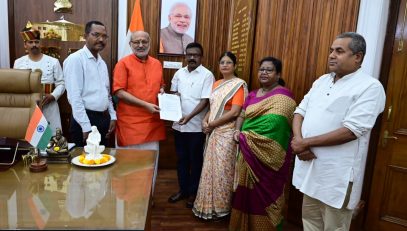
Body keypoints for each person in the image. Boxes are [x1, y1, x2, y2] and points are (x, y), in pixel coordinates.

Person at [291, 32, 386, 230]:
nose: (332, 55)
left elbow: (351, 131)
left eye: (339, 51)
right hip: (310, 167)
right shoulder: (322, 81)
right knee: (310, 222)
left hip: (336, 175)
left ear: (357, 57)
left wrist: (305, 143)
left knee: (335, 226)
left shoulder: (370, 87)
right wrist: (299, 141)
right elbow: (299, 112)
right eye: (331, 51)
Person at [228, 57, 296, 231]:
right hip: (246, 154)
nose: (264, 73)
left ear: (278, 74)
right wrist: (237, 131)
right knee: (245, 195)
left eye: (269, 70)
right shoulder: (252, 94)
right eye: (261, 69)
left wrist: (246, 137)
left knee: (264, 198)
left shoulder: (284, 97)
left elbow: (277, 127)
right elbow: (242, 115)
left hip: (269, 161)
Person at [193, 51, 248, 220]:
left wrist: (212, 124)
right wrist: (205, 121)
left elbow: (235, 111)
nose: (224, 65)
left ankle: (221, 209)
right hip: (213, 131)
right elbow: (212, 107)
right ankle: (206, 206)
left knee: (223, 171)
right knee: (209, 170)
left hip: (227, 133)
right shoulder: (216, 84)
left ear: (235, 66)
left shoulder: (238, 84)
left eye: (228, 62)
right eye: (222, 62)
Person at [113, 31, 166, 193]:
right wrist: (145, 105)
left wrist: (162, 90)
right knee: (129, 165)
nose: (141, 45)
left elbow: (161, 85)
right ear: (130, 44)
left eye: (144, 41)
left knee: (150, 165)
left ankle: (147, 198)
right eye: (136, 42)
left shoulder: (157, 63)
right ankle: (130, 197)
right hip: (130, 125)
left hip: (152, 123)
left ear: (150, 43)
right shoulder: (123, 64)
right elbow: (119, 92)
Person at [167, 42, 215, 208]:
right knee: (181, 160)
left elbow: (205, 101)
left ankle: (194, 193)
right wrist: (169, 100)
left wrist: (189, 116)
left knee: (195, 161)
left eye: (196, 55)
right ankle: (183, 190)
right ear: (185, 56)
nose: (192, 57)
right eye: (189, 54)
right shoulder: (179, 73)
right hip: (178, 126)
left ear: (201, 57)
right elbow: (174, 95)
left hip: (195, 127)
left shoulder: (207, 75)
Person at [63, 20, 116, 147]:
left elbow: (106, 93)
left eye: (104, 36)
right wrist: (86, 127)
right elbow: (74, 97)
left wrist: (113, 116)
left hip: (103, 119)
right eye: (96, 35)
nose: (101, 39)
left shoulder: (101, 62)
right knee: (84, 163)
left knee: (102, 161)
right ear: (85, 36)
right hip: (85, 120)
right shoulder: (75, 59)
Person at [14, 21, 65, 135]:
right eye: (30, 42)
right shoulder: (18, 63)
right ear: (25, 44)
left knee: (52, 141)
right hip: (28, 108)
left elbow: (61, 83)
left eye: (36, 42)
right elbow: (16, 86)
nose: (34, 45)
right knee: (32, 141)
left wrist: (53, 96)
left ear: (40, 43)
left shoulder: (53, 62)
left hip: (50, 107)